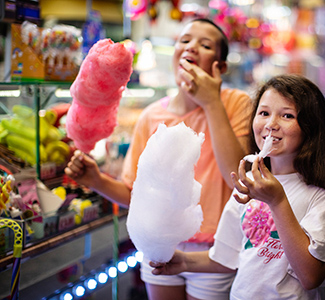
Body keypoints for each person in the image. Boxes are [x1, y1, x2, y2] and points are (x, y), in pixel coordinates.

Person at [65, 18, 252, 300]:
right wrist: (95, 179)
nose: (191, 48)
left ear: (221, 66)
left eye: (205, 44)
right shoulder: (151, 116)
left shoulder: (237, 103)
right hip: (159, 244)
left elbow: (238, 180)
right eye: (185, 40)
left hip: (216, 250)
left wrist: (211, 102)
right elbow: (135, 195)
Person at [150, 74, 325, 299]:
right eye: (264, 113)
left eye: (287, 115)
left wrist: (277, 201)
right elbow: (228, 255)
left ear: (311, 127)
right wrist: (183, 261)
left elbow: (310, 277)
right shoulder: (249, 183)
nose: (271, 124)